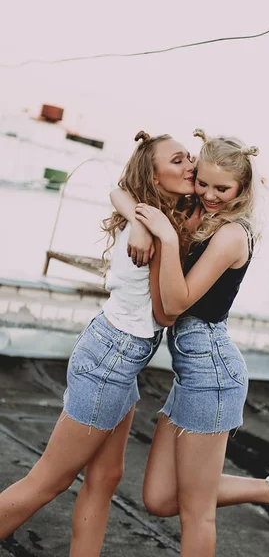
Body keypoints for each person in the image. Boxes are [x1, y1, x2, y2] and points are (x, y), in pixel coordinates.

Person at [116, 129, 269, 557]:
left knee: (196, 513)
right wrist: (144, 228)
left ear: (242, 188)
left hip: (213, 375)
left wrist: (162, 235)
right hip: (191, 376)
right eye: (203, 183)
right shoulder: (197, 215)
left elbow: (174, 304)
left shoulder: (231, 235)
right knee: (159, 498)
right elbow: (121, 189)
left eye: (223, 188)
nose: (210, 194)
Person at [0, 131, 196, 557]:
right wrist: (160, 236)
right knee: (49, 479)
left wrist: (150, 225)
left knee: (106, 477)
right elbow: (166, 313)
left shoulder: (152, 219)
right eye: (178, 161)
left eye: (190, 158)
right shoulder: (156, 230)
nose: (189, 167)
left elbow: (118, 190)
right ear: (154, 175)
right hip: (112, 356)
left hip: (117, 353)